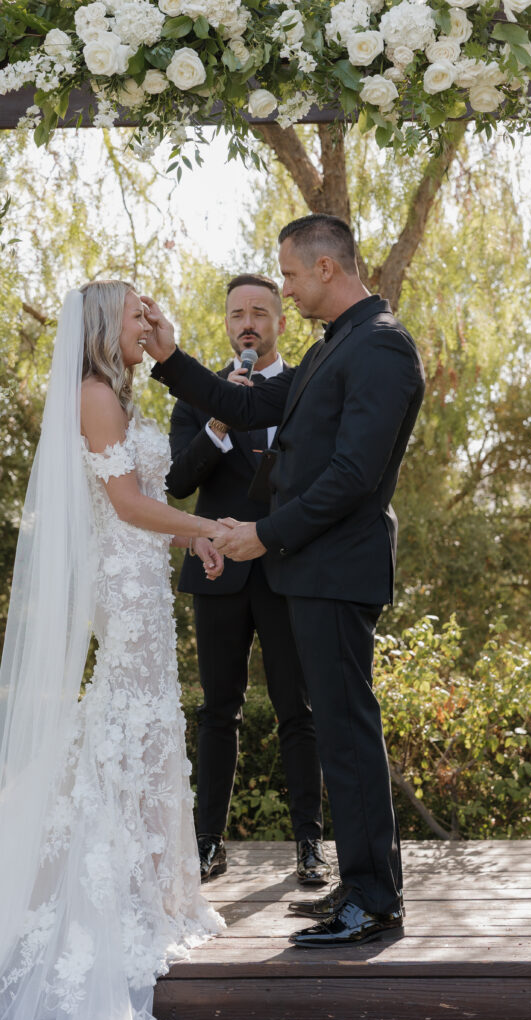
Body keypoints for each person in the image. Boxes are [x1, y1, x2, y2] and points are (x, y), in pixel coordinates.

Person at [0, 281, 226, 1020]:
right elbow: (128, 504)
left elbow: (140, 501)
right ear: (105, 322)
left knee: (142, 715)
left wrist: (186, 536)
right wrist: (205, 530)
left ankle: (148, 881)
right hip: (122, 582)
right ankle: (104, 880)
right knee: (128, 715)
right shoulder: (94, 394)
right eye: (137, 311)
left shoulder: (119, 395)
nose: (150, 319)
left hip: (141, 577)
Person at [144, 215, 425, 948]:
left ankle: (372, 899)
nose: (287, 289)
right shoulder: (334, 349)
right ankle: (360, 886)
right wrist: (170, 355)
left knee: (347, 733)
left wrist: (261, 534)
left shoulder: (382, 348)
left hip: (336, 570)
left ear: (326, 268)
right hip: (314, 571)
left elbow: (352, 476)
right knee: (335, 730)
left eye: (291, 277)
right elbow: (240, 406)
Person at [166, 273, 329, 887]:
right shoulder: (198, 394)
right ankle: (208, 844)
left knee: (299, 710)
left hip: (290, 568)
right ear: (227, 324)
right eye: (238, 314)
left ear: (281, 321)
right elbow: (178, 484)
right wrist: (220, 423)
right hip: (219, 573)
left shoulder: (302, 389)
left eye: (261, 310)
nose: (249, 323)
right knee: (217, 711)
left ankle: (310, 846)